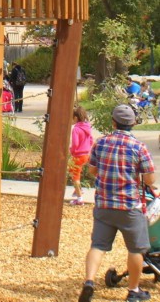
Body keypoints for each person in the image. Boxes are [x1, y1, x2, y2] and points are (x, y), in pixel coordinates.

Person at [78, 103, 155, 302]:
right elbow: (149, 179)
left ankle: (89, 282)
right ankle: (134, 290)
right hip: (129, 206)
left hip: (104, 205)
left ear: (113, 122)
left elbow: (92, 171)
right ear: (133, 124)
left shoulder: (101, 143)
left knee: (98, 246)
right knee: (136, 249)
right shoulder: (139, 147)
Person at [69, 105, 93, 205]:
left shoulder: (76, 129)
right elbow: (91, 140)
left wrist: (72, 151)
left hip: (78, 155)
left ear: (75, 118)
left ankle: (79, 198)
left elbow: (75, 143)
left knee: (75, 177)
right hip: (86, 154)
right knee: (75, 172)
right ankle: (78, 190)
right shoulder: (87, 127)